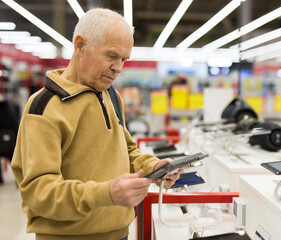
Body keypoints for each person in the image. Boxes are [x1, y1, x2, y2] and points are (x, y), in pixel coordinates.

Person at [11, 8, 182, 240]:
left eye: (124, 59)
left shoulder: (110, 96)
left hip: (119, 233)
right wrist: (106, 193)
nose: (119, 67)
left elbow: (127, 151)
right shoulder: (44, 108)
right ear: (80, 45)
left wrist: (153, 167)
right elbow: (38, 192)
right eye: (111, 56)